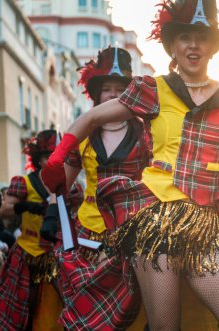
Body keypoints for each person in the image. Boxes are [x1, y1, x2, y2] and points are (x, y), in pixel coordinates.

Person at [42, 1, 219, 330]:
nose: (193, 45)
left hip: (207, 227)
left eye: (201, 37)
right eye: (184, 37)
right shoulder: (154, 90)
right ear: (172, 45)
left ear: (212, 47)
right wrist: (60, 154)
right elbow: (93, 116)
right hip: (154, 224)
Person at [40, 46, 151, 330]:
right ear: (96, 94)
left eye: (120, 89)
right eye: (107, 89)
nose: (113, 96)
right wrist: (55, 216)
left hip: (133, 230)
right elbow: (59, 185)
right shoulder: (83, 137)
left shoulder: (145, 134)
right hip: (88, 235)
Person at [0, 130, 64, 330]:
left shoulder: (67, 184)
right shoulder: (23, 182)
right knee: (18, 310)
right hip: (26, 254)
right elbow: (4, 211)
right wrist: (25, 206)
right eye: (48, 157)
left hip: (56, 254)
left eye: (58, 156)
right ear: (38, 159)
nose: (53, 161)